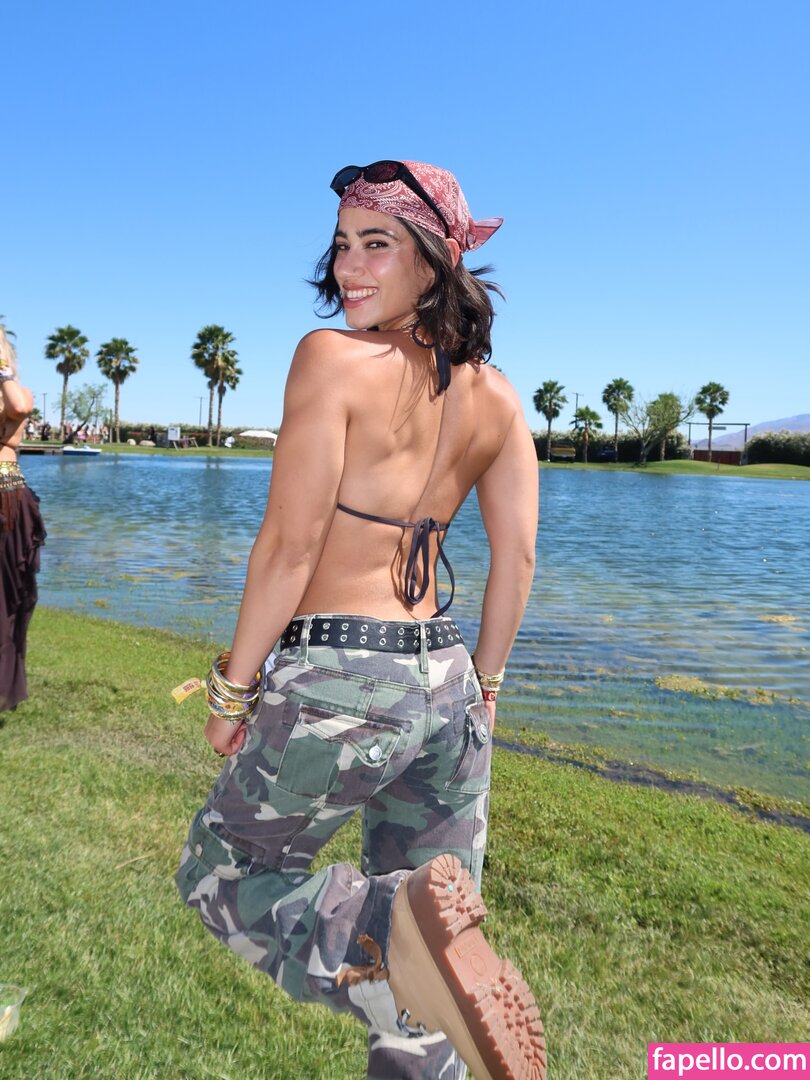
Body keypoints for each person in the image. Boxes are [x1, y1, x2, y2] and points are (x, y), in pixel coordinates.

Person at [176, 160, 543, 1080]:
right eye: (342, 244)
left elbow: (289, 546)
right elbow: (518, 563)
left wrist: (232, 690)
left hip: (342, 674)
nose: (348, 266)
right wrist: (487, 691)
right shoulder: (499, 399)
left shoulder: (331, 359)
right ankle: (416, 971)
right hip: (448, 684)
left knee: (220, 873)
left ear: (434, 262)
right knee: (435, 974)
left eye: (377, 244)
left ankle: (383, 941)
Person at [0, 327, 46, 713]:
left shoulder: (20, 393)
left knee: (9, 592)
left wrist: (2, 371)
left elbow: (17, 408)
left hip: (8, 496)